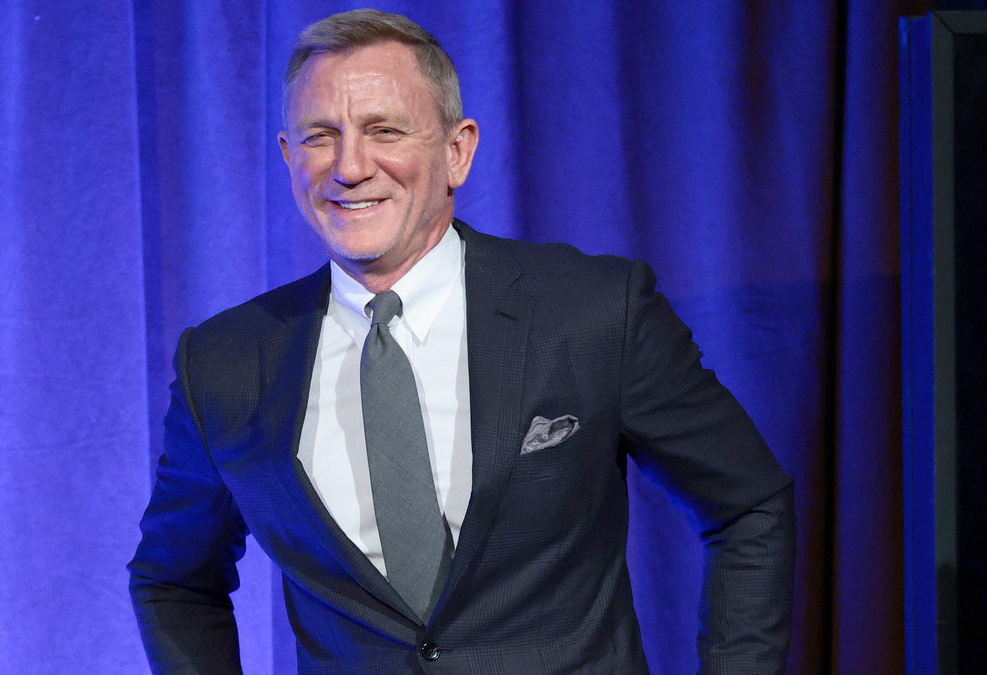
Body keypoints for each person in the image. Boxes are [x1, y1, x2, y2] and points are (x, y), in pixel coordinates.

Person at [128, 9, 795, 674]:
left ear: (457, 150)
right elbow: (173, 579)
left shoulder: (592, 311)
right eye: (320, 136)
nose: (350, 166)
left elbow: (748, 505)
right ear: (288, 155)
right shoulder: (224, 363)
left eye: (383, 130)